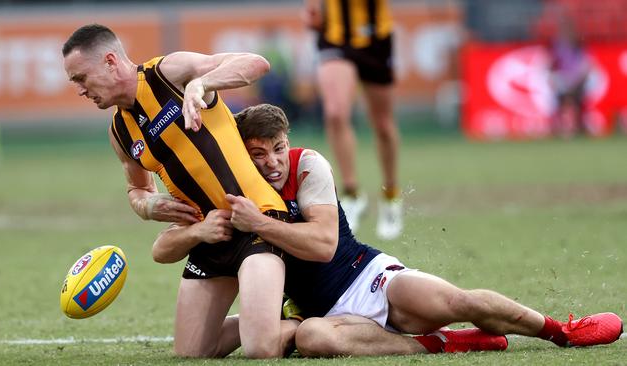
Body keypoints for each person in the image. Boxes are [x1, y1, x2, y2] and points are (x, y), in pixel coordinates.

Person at [152, 103, 623, 357]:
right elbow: (162, 248)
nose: (272, 162)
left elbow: (322, 247)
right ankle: (441, 343)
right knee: (313, 338)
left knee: (460, 302)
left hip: (368, 279)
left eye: (278, 148)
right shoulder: (230, 189)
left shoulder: (309, 165)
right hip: (322, 317)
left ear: (289, 143)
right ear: (241, 155)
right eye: (258, 154)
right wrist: (196, 232)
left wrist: (257, 224)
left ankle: (561, 331)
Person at [62, 24, 299, 359]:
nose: (80, 91)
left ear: (111, 62)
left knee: (260, 348)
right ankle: (271, 315)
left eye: (81, 78)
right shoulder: (119, 131)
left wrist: (203, 83)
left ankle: (301, 321)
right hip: (209, 236)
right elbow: (137, 190)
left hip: (256, 221)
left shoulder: (167, 73)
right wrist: (149, 205)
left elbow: (256, 63)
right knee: (191, 354)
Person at [302, 0, 402, 239]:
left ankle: (390, 196)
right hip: (335, 37)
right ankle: (351, 193)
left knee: (383, 125)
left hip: (375, 38)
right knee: (335, 113)